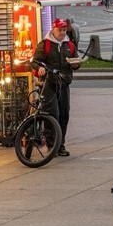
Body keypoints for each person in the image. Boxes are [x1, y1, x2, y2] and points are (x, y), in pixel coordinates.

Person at [31, 17, 81, 157]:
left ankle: (60, 145)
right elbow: (35, 61)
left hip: (64, 84)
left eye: (64, 30)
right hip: (49, 84)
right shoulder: (45, 44)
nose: (62, 32)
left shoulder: (69, 45)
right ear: (53, 29)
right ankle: (52, 145)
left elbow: (75, 60)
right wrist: (40, 67)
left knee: (64, 115)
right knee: (53, 114)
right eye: (60, 29)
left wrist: (76, 64)